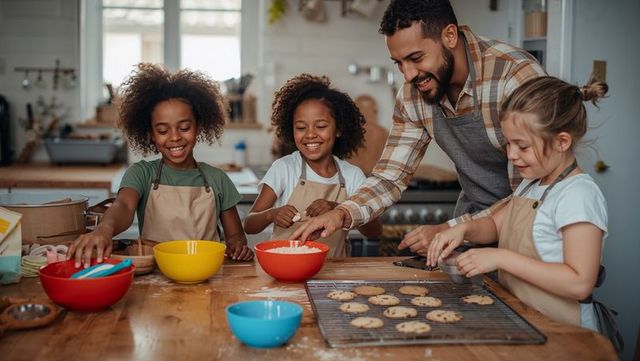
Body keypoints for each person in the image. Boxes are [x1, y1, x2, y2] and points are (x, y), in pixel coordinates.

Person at [291, 0, 546, 251]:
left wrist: (450, 228)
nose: (409, 74)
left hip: (530, 225)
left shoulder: (514, 77)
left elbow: (533, 190)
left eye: (416, 57)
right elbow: (390, 177)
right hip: (471, 227)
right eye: (399, 63)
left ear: (449, 36)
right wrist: (343, 213)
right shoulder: (413, 94)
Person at [427, 76, 609, 331]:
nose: (512, 155)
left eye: (522, 146)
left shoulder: (578, 195)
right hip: (525, 322)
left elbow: (579, 283)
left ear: (562, 142)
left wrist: (500, 257)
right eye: (509, 144)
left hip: (564, 333)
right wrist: (464, 229)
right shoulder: (533, 183)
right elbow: (494, 225)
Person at [68, 63, 254, 267]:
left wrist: (238, 247)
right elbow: (123, 205)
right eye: (163, 131)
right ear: (151, 135)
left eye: (184, 127)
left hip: (207, 275)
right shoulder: (141, 174)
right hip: (156, 275)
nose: (175, 137)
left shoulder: (217, 179)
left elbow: (235, 236)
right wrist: (104, 230)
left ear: (198, 127)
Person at [243, 74, 382, 257]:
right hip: (287, 272)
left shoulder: (352, 175)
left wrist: (338, 208)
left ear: (339, 128)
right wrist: (271, 214)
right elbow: (249, 225)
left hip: (335, 276)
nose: (310, 135)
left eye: (321, 126)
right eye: (301, 128)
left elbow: (374, 231)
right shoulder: (284, 168)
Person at [347, 94, 389, 176]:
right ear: (375, 111)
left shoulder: (348, 133)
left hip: (353, 178)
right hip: (376, 178)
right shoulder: (384, 133)